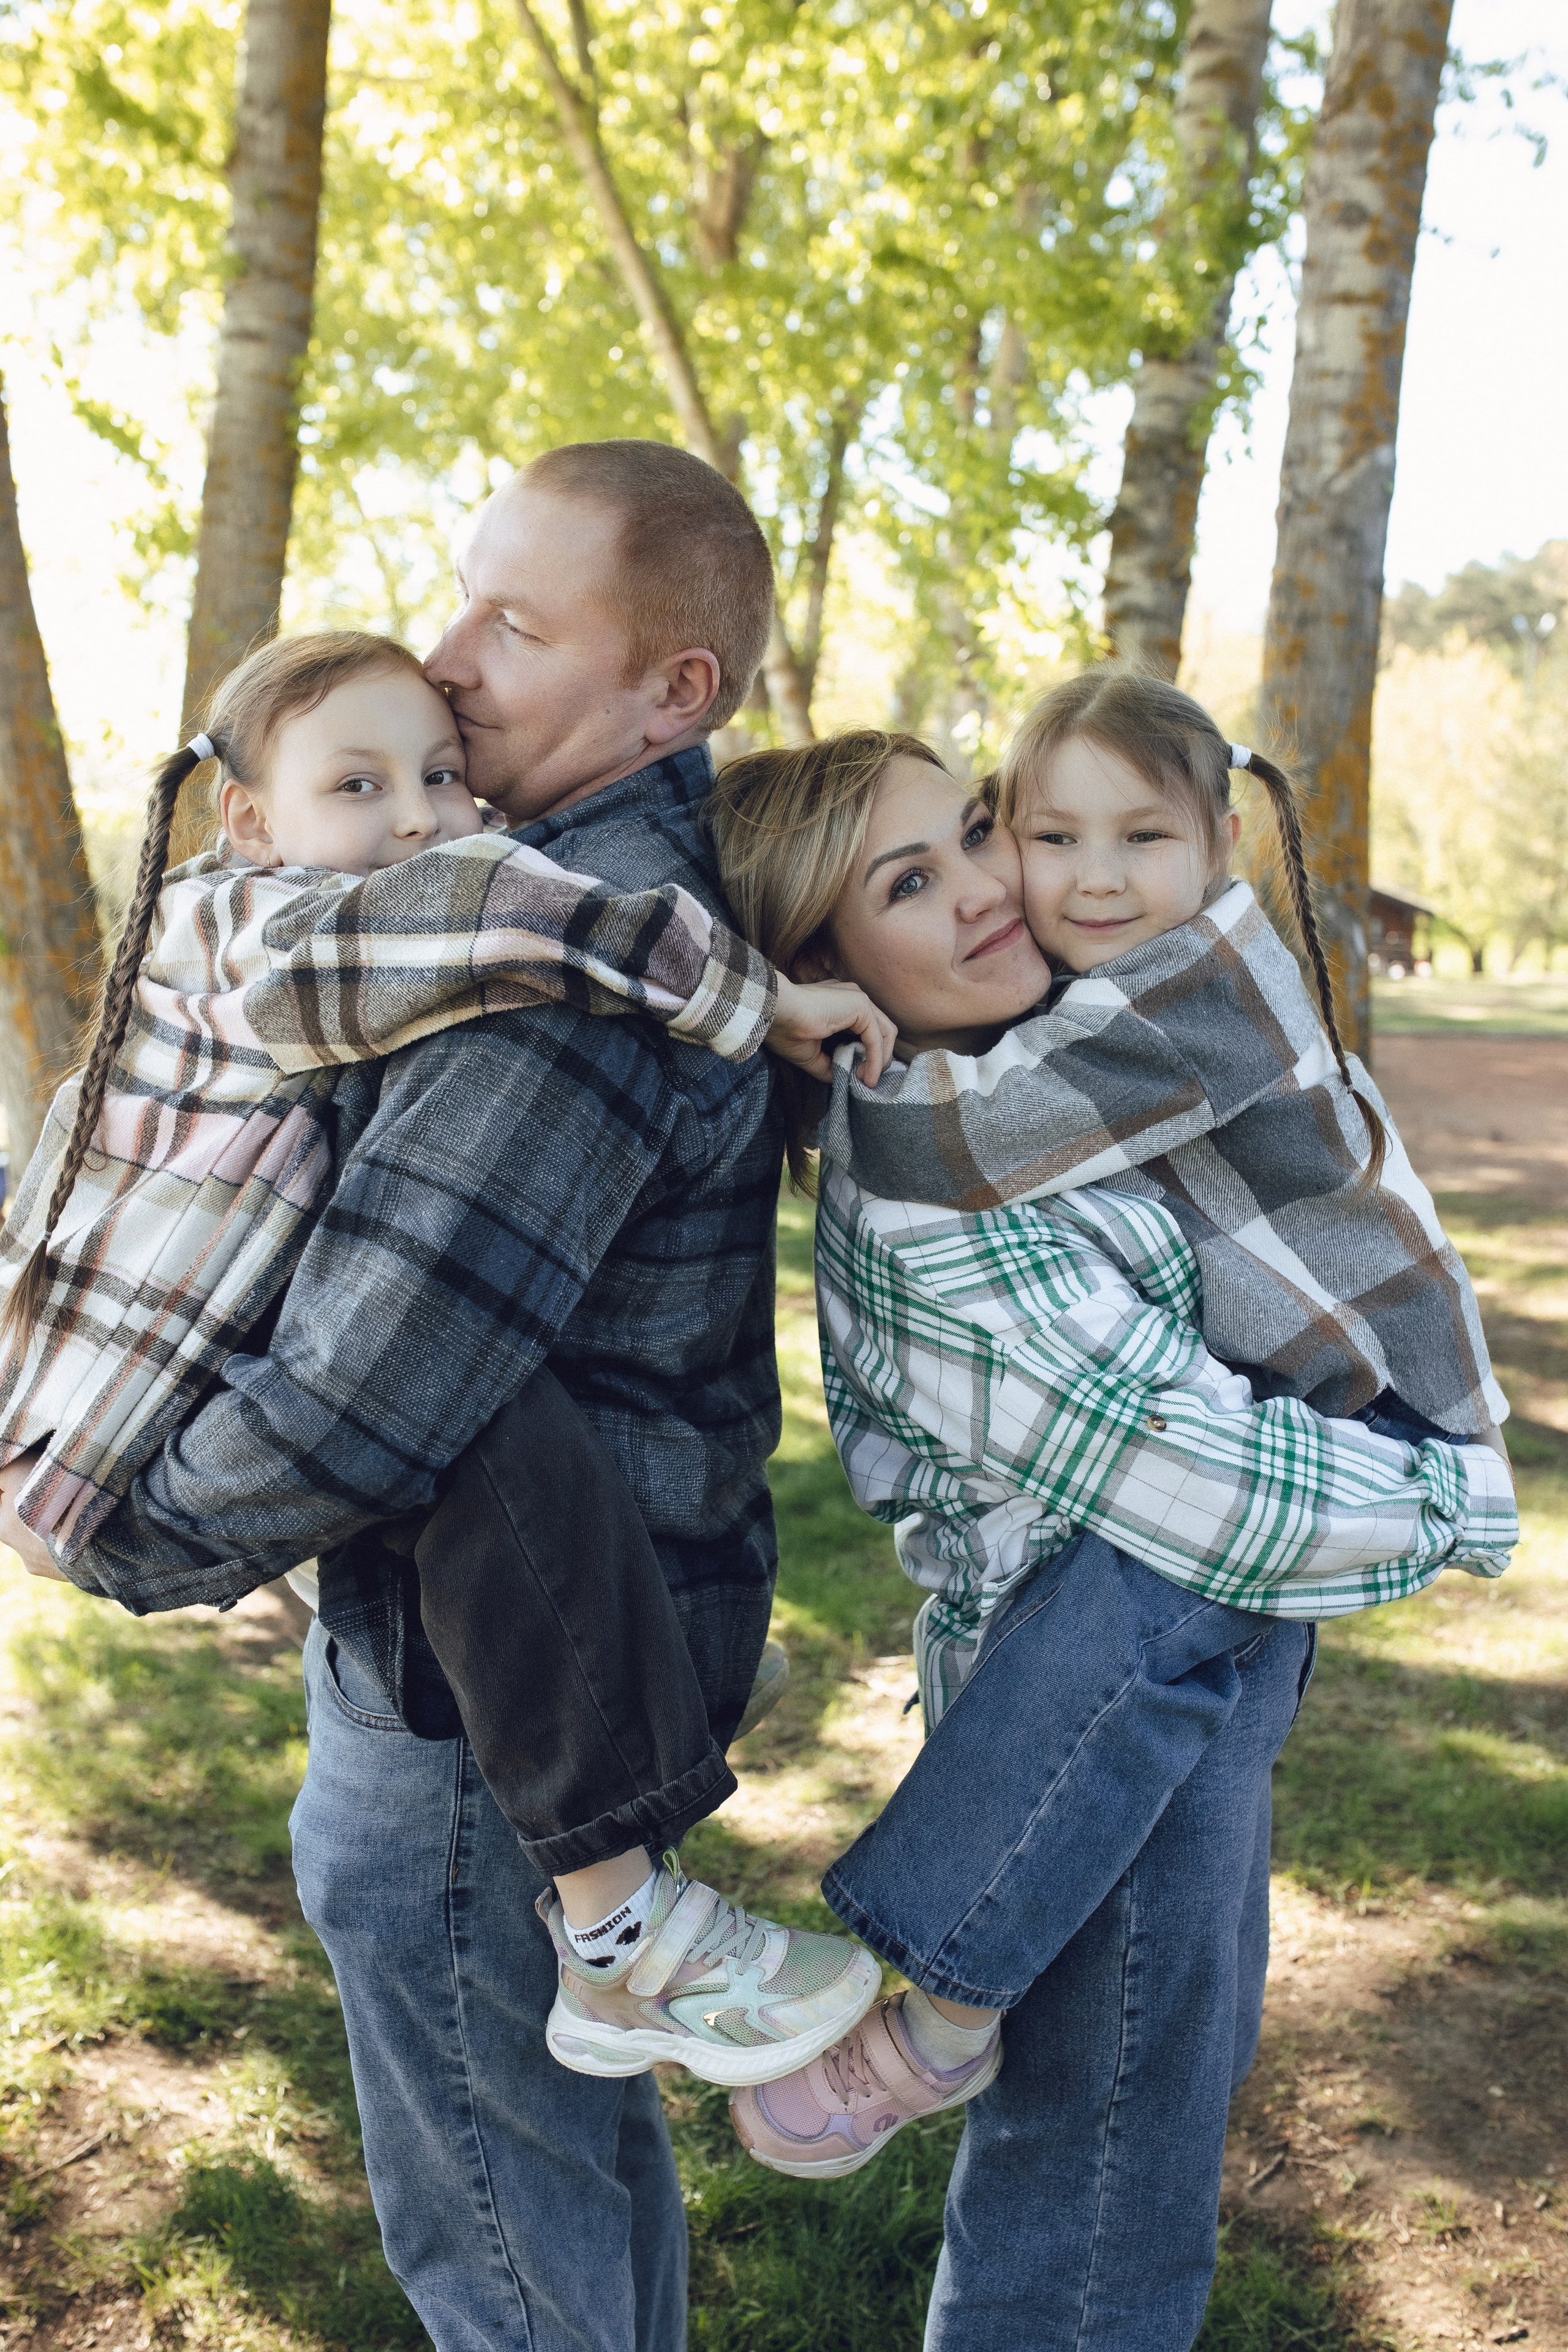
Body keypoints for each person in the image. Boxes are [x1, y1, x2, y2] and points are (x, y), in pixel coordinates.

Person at [0, 439, 832, 2352]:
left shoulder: (547, 952)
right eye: (463, 598)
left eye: (514, 626)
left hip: (477, 1703)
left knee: (502, 2241)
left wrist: (117, 1534)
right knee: (568, 2161)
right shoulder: (513, 897)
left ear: (673, 691)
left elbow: (370, 1387)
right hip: (569, 1657)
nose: (448, 657)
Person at [701, 717, 1513, 2349]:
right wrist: (1456, 1497)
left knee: (1144, 2136)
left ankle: (942, 2007)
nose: (991, 889)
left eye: (974, 833)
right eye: (907, 884)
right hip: (1088, 1704)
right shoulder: (931, 1205)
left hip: (1178, 1690)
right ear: (821, 973)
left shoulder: (1034, 1082)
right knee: (1094, 2214)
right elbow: (1212, 1500)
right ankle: (934, 1995)